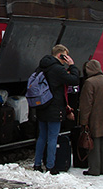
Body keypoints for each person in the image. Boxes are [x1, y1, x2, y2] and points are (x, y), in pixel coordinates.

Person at [33, 44, 81, 175]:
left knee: (42, 136)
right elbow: (74, 80)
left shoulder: (41, 67)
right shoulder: (57, 69)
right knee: (53, 137)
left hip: (42, 107)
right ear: (61, 55)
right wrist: (72, 65)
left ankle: (37, 164)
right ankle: (50, 166)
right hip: (54, 108)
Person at [79, 59, 103, 177]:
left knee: (94, 144)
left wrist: (83, 121)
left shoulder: (90, 82)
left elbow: (86, 104)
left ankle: (94, 169)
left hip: (95, 118)